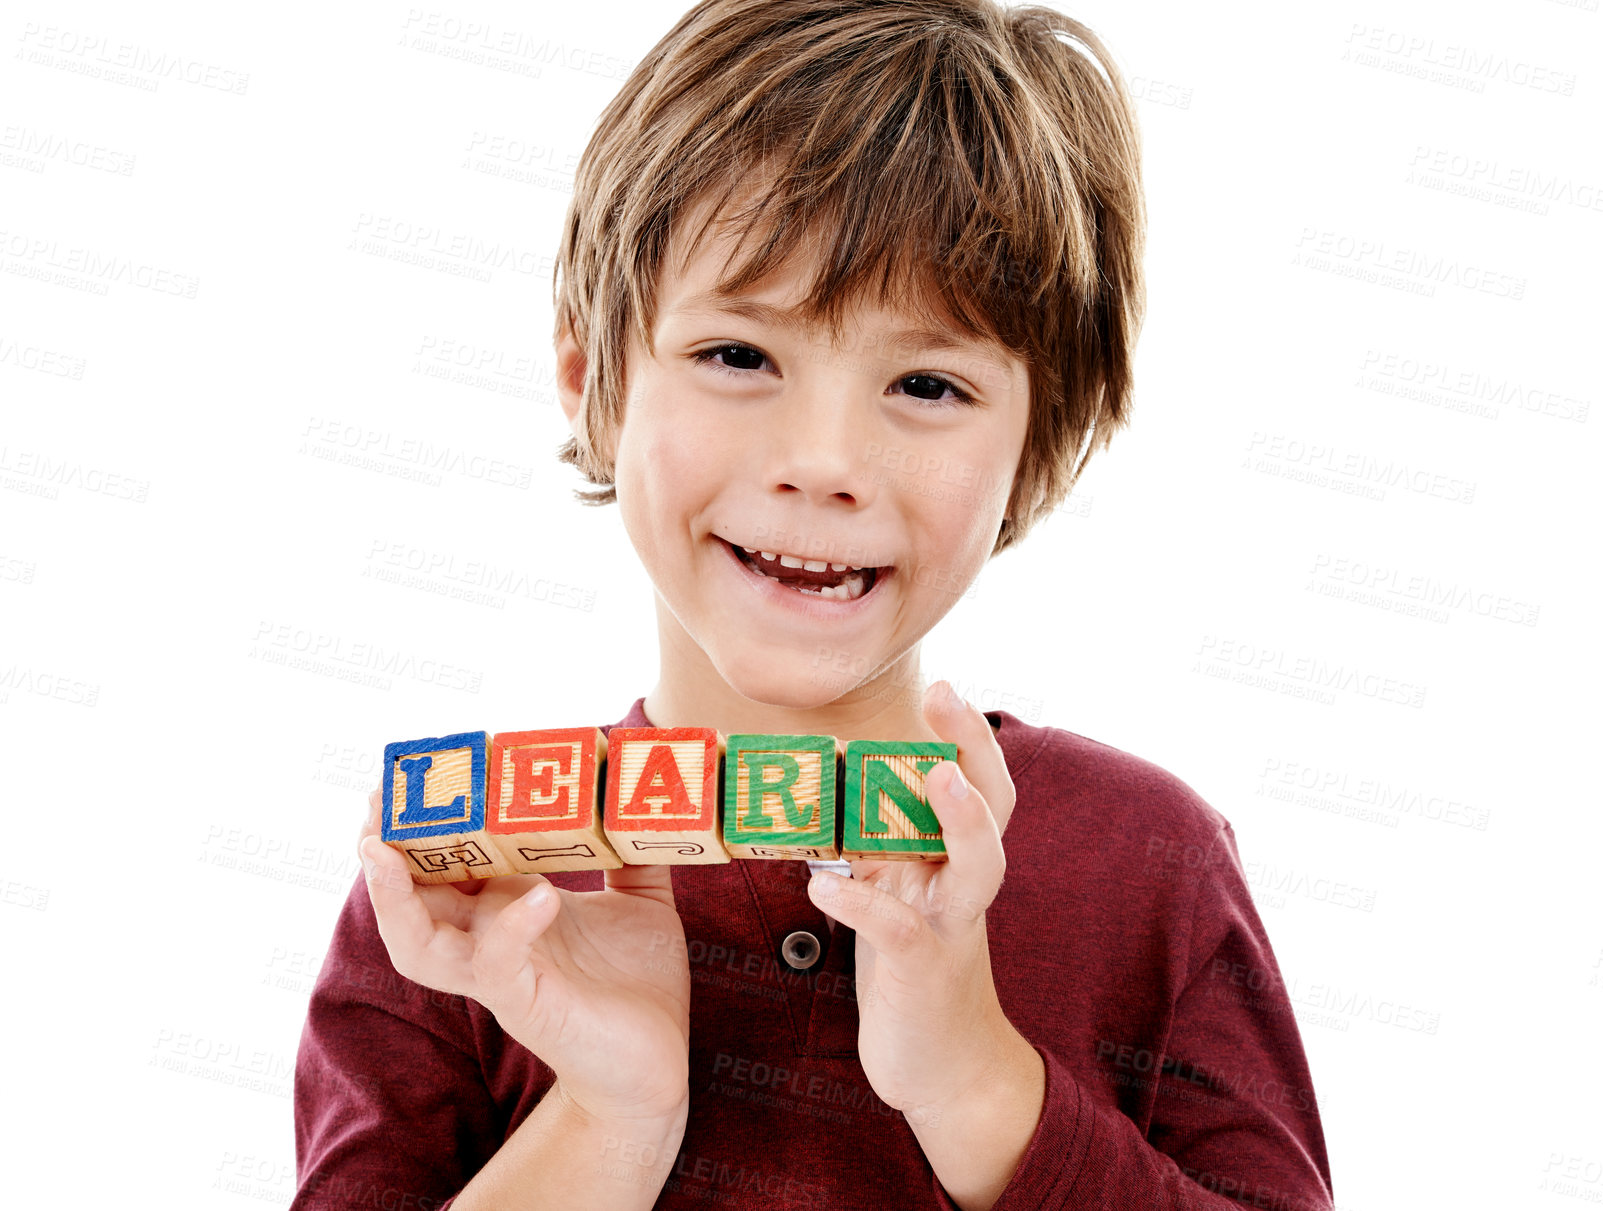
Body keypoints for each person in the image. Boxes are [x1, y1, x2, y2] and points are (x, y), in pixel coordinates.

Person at [291, 1, 1335, 1207]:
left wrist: (975, 1079)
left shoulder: (1152, 865)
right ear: (594, 383)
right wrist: (606, 1113)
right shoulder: (465, 900)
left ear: (1037, 442)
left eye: (928, 382)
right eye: (739, 354)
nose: (826, 457)